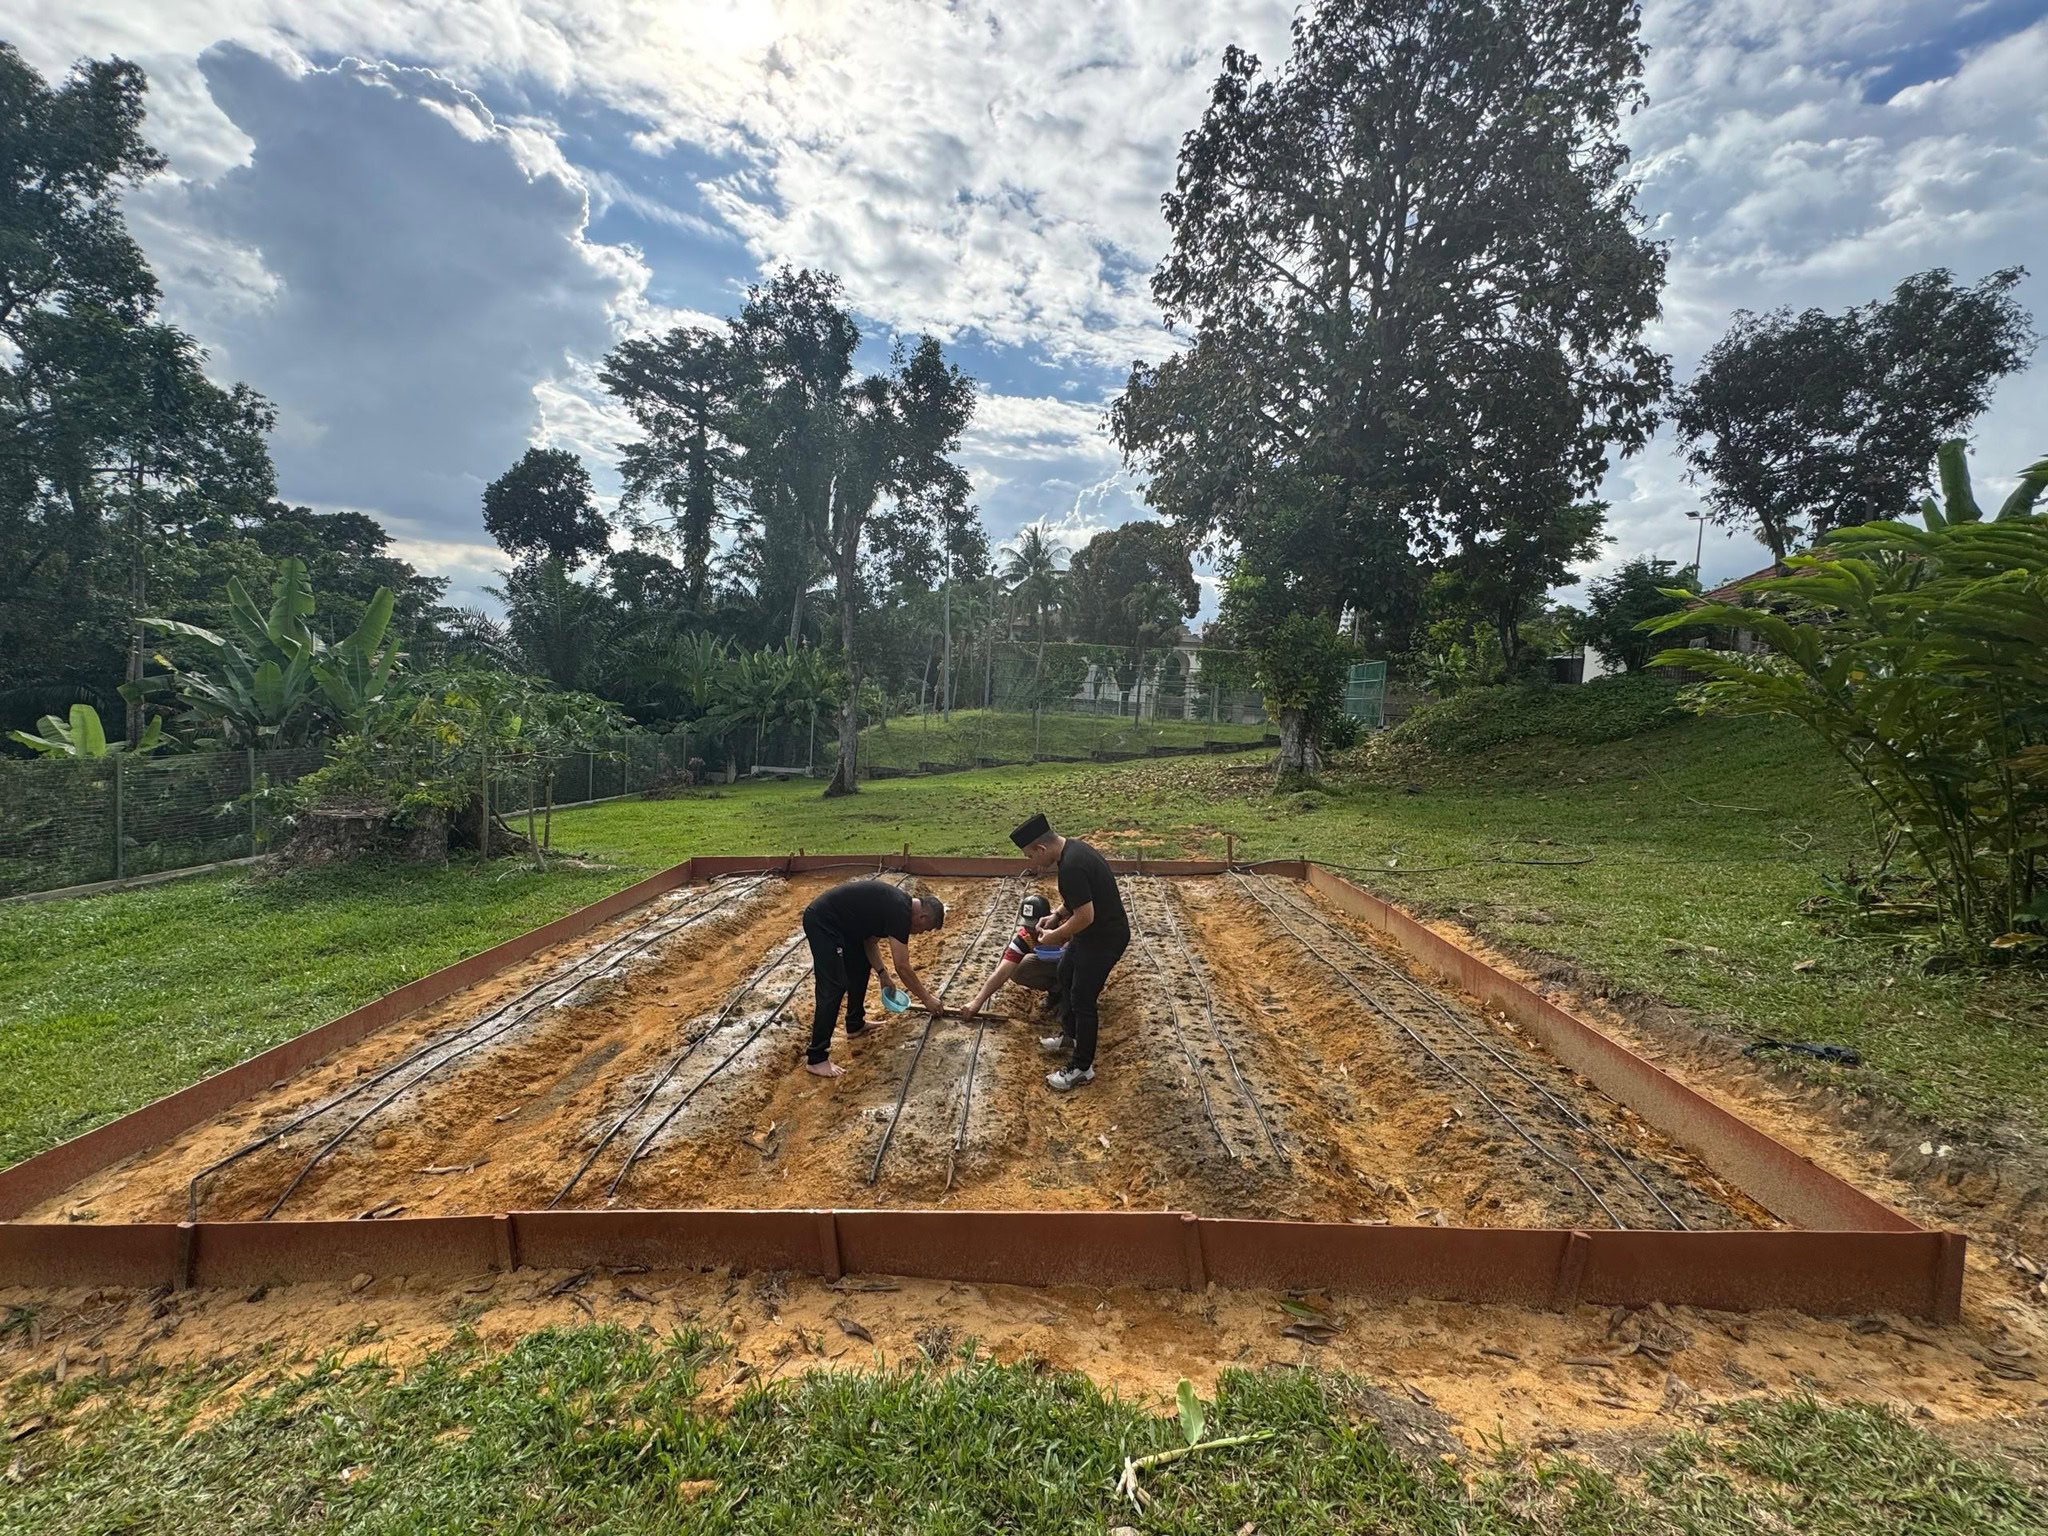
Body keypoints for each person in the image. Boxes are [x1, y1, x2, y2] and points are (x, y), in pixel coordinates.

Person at [1008, 813, 1129, 1092]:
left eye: (1030, 856)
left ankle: (1081, 1067)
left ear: (1041, 848)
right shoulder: (1073, 850)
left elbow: (1085, 915)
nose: (1032, 863)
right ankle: (1070, 1036)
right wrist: (1056, 915)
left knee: (1083, 999)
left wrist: (1055, 935)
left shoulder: (1072, 866)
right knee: (1064, 972)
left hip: (1104, 939)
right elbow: (1080, 898)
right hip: (1091, 936)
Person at [800, 879, 945, 1078]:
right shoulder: (900, 912)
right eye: (925, 928)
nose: (921, 933)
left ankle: (855, 1023)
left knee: (860, 964)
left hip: (845, 928)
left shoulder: (898, 906)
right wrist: (927, 999)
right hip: (824, 922)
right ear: (923, 916)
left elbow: (869, 942)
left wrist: (882, 974)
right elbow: (902, 966)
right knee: (834, 986)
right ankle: (816, 1058)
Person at [961, 892, 1064, 1019]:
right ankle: (1057, 992)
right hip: (1056, 968)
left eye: (1034, 926)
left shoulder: (1065, 926)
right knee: (1018, 969)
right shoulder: (1025, 938)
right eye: (1027, 926)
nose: (1030, 931)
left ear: (1047, 918)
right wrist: (977, 1002)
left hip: (1078, 967)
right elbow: (1002, 971)